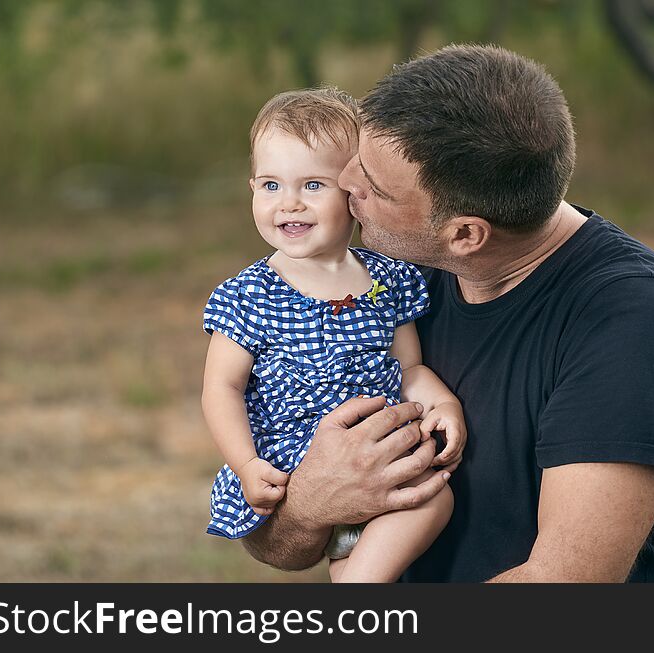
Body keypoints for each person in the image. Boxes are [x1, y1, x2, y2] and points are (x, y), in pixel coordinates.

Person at [238, 45, 654, 582]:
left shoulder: (625, 318)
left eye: (374, 183)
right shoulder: (385, 281)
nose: (345, 183)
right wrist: (311, 503)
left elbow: (564, 584)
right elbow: (274, 542)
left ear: (464, 234)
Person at [200, 87, 466, 583]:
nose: (290, 204)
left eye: (314, 186)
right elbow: (222, 387)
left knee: (433, 497)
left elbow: (408, 369)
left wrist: (443, 405)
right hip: (298, 467)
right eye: (271, 186)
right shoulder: (248, 295)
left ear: (355, 191)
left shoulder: (389, 279)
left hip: (384, 460)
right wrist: (245, 464)